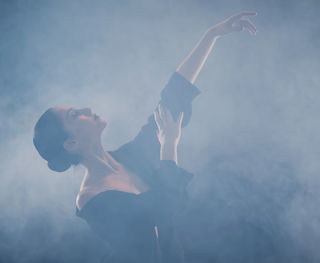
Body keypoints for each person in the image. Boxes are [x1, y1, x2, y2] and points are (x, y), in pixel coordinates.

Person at [33, 12, 257, 263]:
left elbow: (171, 102)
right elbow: (164, 208)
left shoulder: (128, 157)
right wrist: (169, 144)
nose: (86, 109)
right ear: (71, 143)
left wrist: (211, 35)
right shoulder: (91, 201)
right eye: (75, 115)